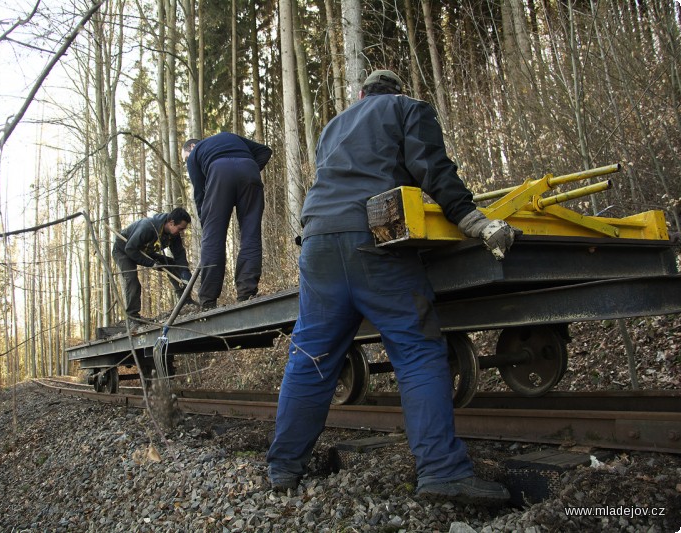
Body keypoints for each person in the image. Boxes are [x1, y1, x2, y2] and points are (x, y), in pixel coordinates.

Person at [266, 70, 519, 505]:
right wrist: (471, 218)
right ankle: (442, 472)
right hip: (374, 239)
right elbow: (432, 168)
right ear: (396, 92)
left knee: (310, 358)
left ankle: (284, 467)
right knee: (417, 350)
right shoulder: (408, 109)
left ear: (362, 95)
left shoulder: (334, 126)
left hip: (317, 243)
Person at [182, 132, 272, 310]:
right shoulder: (230, 137)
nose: (187, 162)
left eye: (185, 158)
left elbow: (200, 193)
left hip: (219, 172)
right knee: (251, 233)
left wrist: (205, 222)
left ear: (191, 147)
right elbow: (265, 151)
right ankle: (247, 292)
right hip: (249, 170)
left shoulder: (195, 154)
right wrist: (250, 171)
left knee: (213, 239)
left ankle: (208, 300)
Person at [112, 208, 192, 322]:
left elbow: (179, 254)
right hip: (124, 250)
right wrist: (152, 263)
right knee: (132, 280)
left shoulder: (173, 235)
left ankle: (186, 301)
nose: (181, 232)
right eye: (180, 229)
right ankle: (132, 317)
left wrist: (185, 271)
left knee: (172, 265)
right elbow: (130, 249)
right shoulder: (147, 228)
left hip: (145, 251)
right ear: (171, 223)